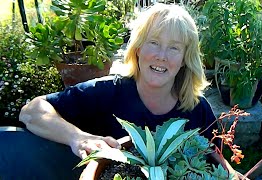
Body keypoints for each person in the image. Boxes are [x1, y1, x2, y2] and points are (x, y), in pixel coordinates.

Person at [11, 3, 235, 179]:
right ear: (137, 48)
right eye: (154, 42)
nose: (162, 56)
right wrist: (77, 138)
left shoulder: (196, 108)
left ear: (186, 59)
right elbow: (31, 111)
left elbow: (214, 158)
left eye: (174, 48)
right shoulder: (107, 92)